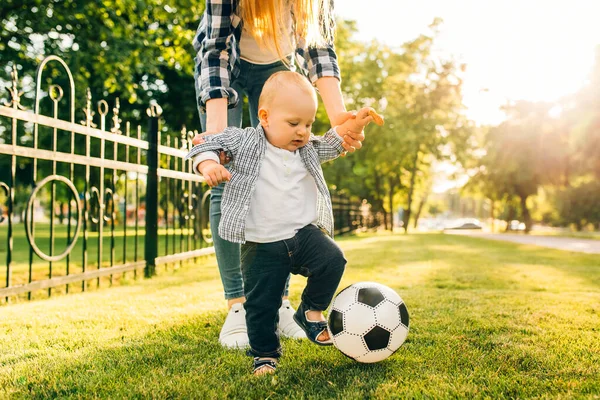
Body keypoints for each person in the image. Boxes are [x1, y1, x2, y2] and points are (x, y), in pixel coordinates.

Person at [192, 0, 366, 348]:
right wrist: (215, 144)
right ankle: (239, 304)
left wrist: (339, 118)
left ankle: (281, 303)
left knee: (287, 166)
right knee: (232, 180)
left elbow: (319, 47)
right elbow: (216, 51)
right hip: (226, 67)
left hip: (281, 67)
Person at [186, 71, 378, 375]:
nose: (302, 131)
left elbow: (333, 142)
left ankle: (310, 311)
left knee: (333, 260)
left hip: (302, 236)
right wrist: (208, 163)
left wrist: (352, 124)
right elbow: (203, 143)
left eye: (308, 124)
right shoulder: (245, 140)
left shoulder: (307, 149)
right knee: (262, 305)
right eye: (293, 124)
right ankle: (265, 355)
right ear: (264, 116)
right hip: (261, 244)